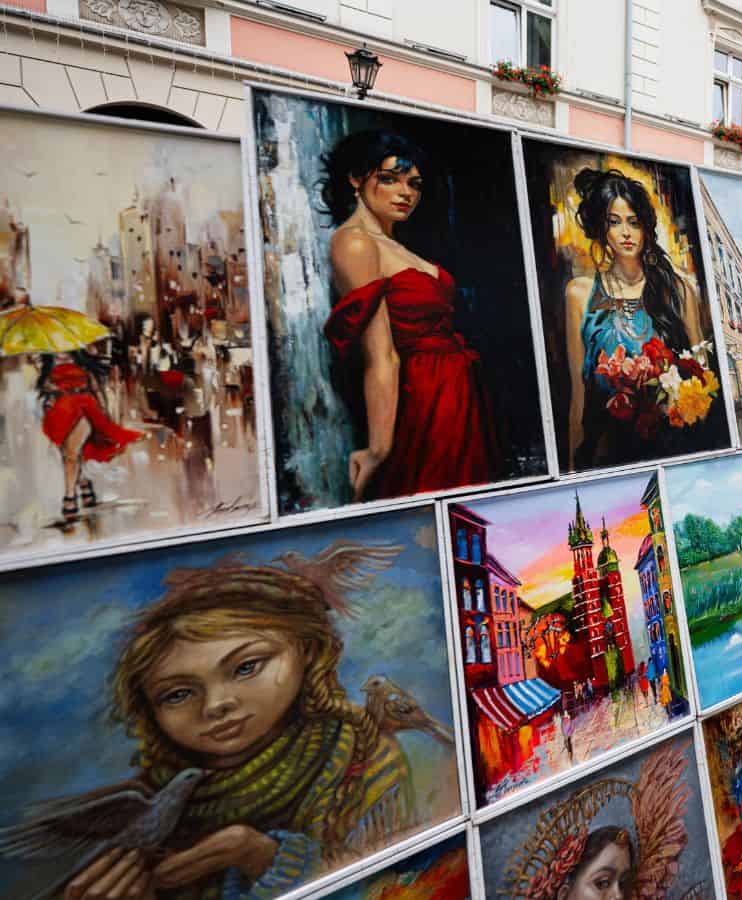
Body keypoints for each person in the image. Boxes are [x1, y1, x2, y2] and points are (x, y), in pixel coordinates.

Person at [60, 546, 419, 899]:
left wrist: (269, 861)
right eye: (178, 694)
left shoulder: (362, 765)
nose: (216, 705)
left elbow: (399, 884)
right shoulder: (153, 798)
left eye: (247, 667)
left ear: (306, 651)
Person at [322, 130, 495, 501]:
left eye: (414, 184)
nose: (406, 193)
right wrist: (378, 449)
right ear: (356, 179)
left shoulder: (395, 245)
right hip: (422, 401)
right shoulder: (355, 242)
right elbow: (381, 353)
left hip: (456, 395)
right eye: (389, 179)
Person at [563, 168, 709, 470]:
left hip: (675, 449)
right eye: (614, 222)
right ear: (600, 228)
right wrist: (571, 470)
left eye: (634, 222)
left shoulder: (677, 289)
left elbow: (703, 378)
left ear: (645, 227)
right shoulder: (580, 293)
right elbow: (578, 396)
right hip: (609, 452)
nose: (626, 233)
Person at [35, 349, 142, 520]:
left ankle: (69, 496)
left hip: (84, 407)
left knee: (71, 453)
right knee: (68, 453)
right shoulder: (48, 363)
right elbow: (45, 391)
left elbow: (96, 388)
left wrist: (104, 411)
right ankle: (84, 482)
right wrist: (48, 386)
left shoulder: (81, 360)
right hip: (59, 411)